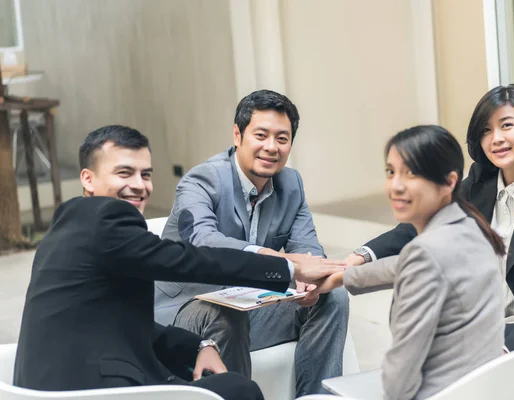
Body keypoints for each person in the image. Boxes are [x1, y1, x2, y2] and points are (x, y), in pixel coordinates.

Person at [13, 125, 341, 400]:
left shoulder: (67, 228)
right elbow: (190, 260)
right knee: (238, 390)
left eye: (145, 174)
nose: (139, 185)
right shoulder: (109, 219)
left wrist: (198, 345)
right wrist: (289, 267)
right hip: (97, 390)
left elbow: (124, 321)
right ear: (88, 179)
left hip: (46, 390)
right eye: (124, 173)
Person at [360, 84, 514, 350]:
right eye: (486, 130)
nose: (496, 138)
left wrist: (509, 345)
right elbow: (422, 223)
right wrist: (361, 256)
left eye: (507, 125)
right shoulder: (480, 182)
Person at [155, 89, 349, 396]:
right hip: (187, 313)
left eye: (282, 139)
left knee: (332, 298)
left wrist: (310, 283)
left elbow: (307, 249)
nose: (271, 147)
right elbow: (203, 242)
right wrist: (278, 261)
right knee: (225, 314)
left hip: (249, 308)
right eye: (261, 135)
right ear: (237, 135)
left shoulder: (291, 183)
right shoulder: (202, 180)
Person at [310, 125, 505, 400]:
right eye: (391, 172)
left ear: (449, 182)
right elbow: (403, 264)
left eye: (411, 173)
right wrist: (341, 275)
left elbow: (401, 374)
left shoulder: (427, 253)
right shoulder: (471, 227)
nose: (396, 186)